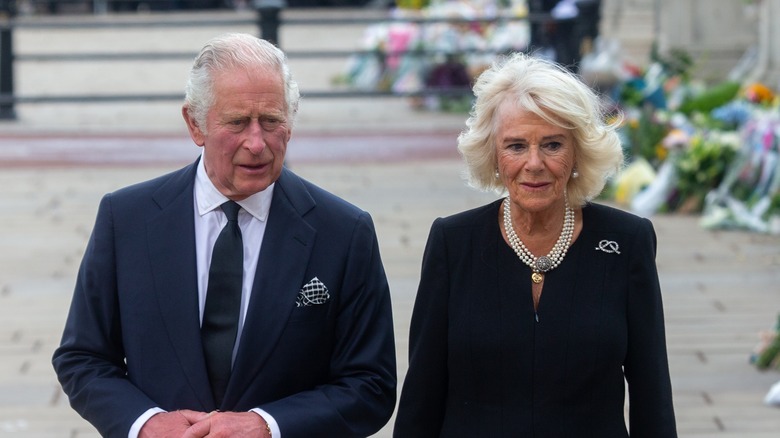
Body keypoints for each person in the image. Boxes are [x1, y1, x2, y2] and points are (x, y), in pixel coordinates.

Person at [52, 33, 396, 438]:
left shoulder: (344, 231)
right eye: (236, 123)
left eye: (271, 121)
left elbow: (370, 384)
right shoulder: (125, 219)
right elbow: (83, 357)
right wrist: (145, 424)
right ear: (194, 124)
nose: (256, 143)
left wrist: (268, 426)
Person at [393, 52, 677, 437]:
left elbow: (652, 394)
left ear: (578, 151)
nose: (534, 163)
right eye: (515, 146)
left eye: (553, 145)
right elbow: (421, 397)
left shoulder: (626, 242)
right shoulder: (453, 242)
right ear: (493, 155)